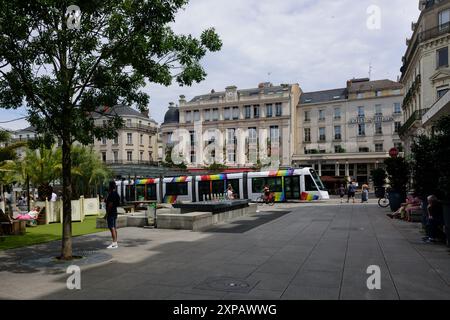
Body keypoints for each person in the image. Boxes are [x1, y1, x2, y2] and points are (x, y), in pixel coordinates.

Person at [105, 181, 120, 249]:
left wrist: (107, 213)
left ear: (110, 186)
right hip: (115, 212)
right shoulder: (116, 193)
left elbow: (110, 204)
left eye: (109, 185)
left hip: (111, 212)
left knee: (112, 227)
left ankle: (114, 243)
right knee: (114, 227)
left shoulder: (112, 194)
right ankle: (115, 242)